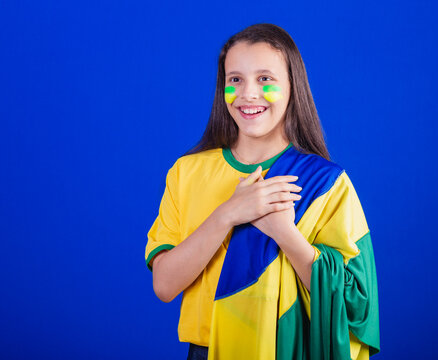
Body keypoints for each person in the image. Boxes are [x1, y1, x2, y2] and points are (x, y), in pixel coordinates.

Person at [145, 23, 380, 360]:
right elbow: (164, 286)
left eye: (265, 79)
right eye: (235, 80)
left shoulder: (328, 183)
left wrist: (285, 234)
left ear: (292, 87)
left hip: (285, 350)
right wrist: (228, 213)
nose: (248, 94)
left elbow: (354, 305)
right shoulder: (187, 172)